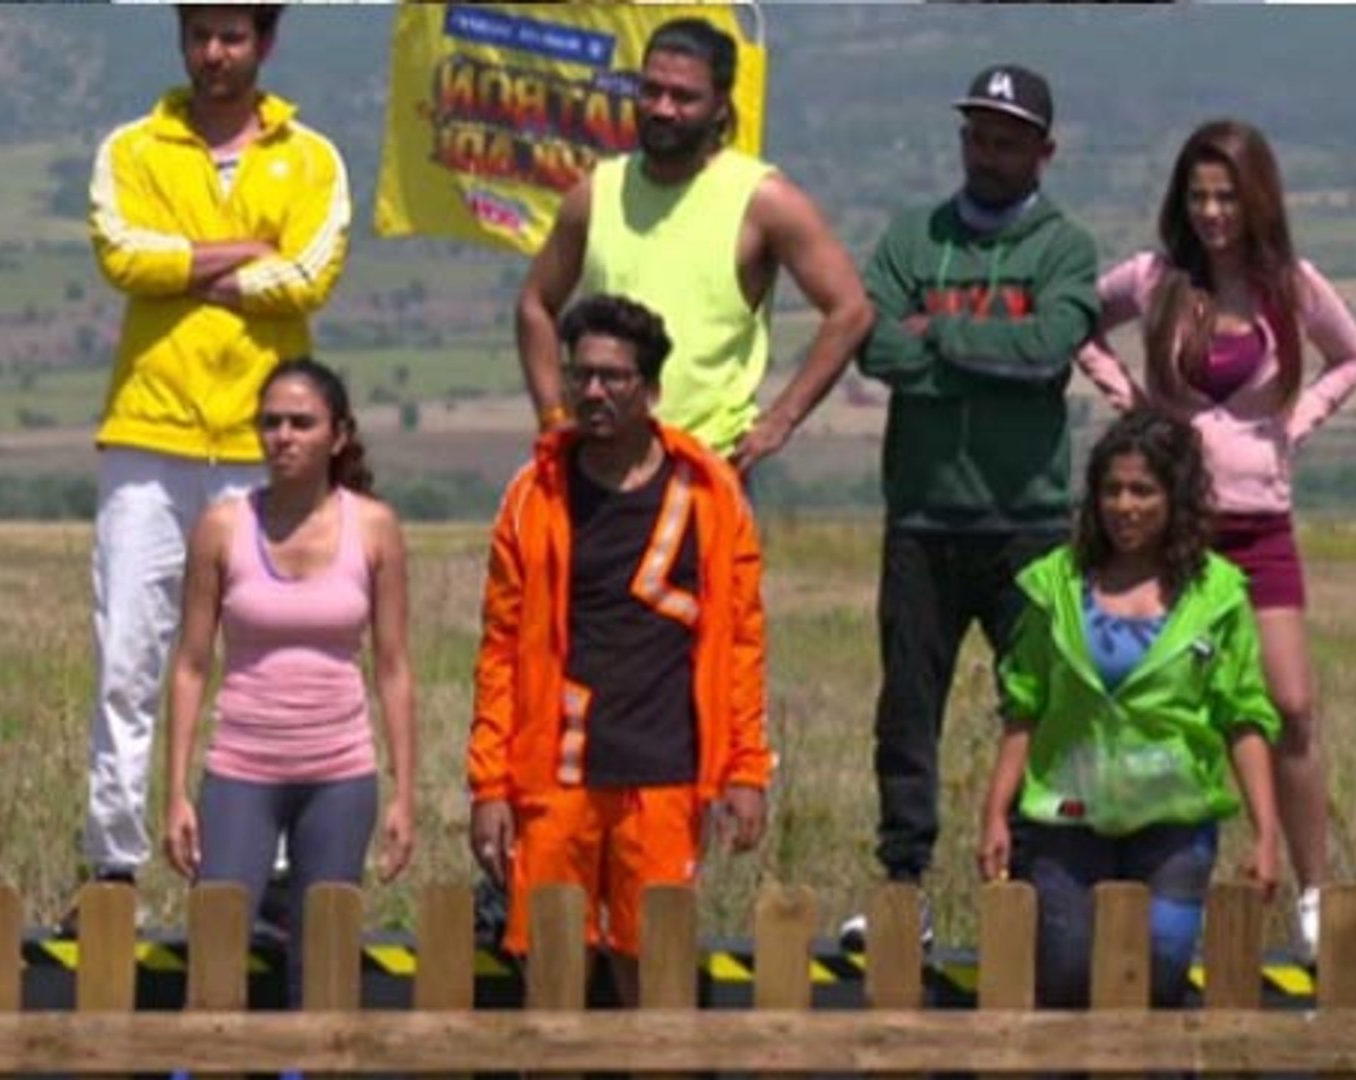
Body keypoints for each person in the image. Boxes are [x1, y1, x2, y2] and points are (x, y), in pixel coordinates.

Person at [1075, 118, 1356, 961]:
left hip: (1262, 523)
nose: (1212, 213)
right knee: (1168, 706)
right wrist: (1128, 397)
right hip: (1174, 528)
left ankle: (1312, 894)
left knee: (1291, 708)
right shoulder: (1153, 278)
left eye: (1228, 197)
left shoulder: (1292, 287)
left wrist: (1298, 423)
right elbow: (1076, 320)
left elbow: (1352, 356)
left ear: (1257, 200)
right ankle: (1161, 900)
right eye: (1199, 197)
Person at [80, 2, 350, 908]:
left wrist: (187, 266)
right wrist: (243, 253)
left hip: (265, 444)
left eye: (232, 35)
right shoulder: (131, 149)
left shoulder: (312, 158)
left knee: (267, 657)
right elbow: (123, 257)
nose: (214, 52)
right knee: (127, 654)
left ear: (264, 42)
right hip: (148, 432)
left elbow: (310, 274)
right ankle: (112, 863)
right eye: (200, 34)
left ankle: (266, 874)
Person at [846, 62, 1101, 947]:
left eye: (1007, 140)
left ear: (1044, 152)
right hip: (922, 516)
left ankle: (1031, 889)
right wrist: (986, 356)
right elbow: (875, 348)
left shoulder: (1064, 248)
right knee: (907, 711)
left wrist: (942, 335)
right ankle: (902, 885)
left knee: (1039, 710)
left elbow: (1049, 349)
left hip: (1028, 521)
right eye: (977, 137)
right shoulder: (912, 238)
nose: (987, 153)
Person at [469, 293, 769, 1003]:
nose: (594, 391)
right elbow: (500, 650)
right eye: (581, 375)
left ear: (652, 390)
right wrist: (489, 785)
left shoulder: (710, 494)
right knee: (553, 975)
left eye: (613, 377)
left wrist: (747, 769)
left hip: (665, 771)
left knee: (654, 976)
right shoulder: (534, 495)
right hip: (556, 771)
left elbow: (742, 642)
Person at [979, 409, 1279, 1009]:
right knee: (1067, 975)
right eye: (1112, 490)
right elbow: (1024, 706)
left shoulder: (1218, 596)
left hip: (1174, 820)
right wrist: (994, 813)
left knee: (1159, 970)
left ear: (1175, 498)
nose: (1125, 506)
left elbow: (1243, 717)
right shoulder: (1054, 587)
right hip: (1066, 816)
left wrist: (1267, 832)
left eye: (1143, 491)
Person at [161, 357, 414, 1001]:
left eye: (302, 423)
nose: (284, 436)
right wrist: (176, 793)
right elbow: (191, 664)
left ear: (339, 435)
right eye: (271, 422)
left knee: (323, 963)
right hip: (242, 767)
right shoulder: (223, 526)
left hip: (339, 770)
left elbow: (393, 667)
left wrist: (405, 795)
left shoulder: (374, 527)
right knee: (217, 951)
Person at [514, 16, 873, 471]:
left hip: (707, 467)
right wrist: (553, 417)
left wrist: (780, 420)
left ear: (721, 106)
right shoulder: (597, 192)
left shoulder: (763, 201)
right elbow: (535, 303)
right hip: (598, 469)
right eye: (651, 91)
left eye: (683, 97)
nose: (662, 109)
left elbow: (850, 310)